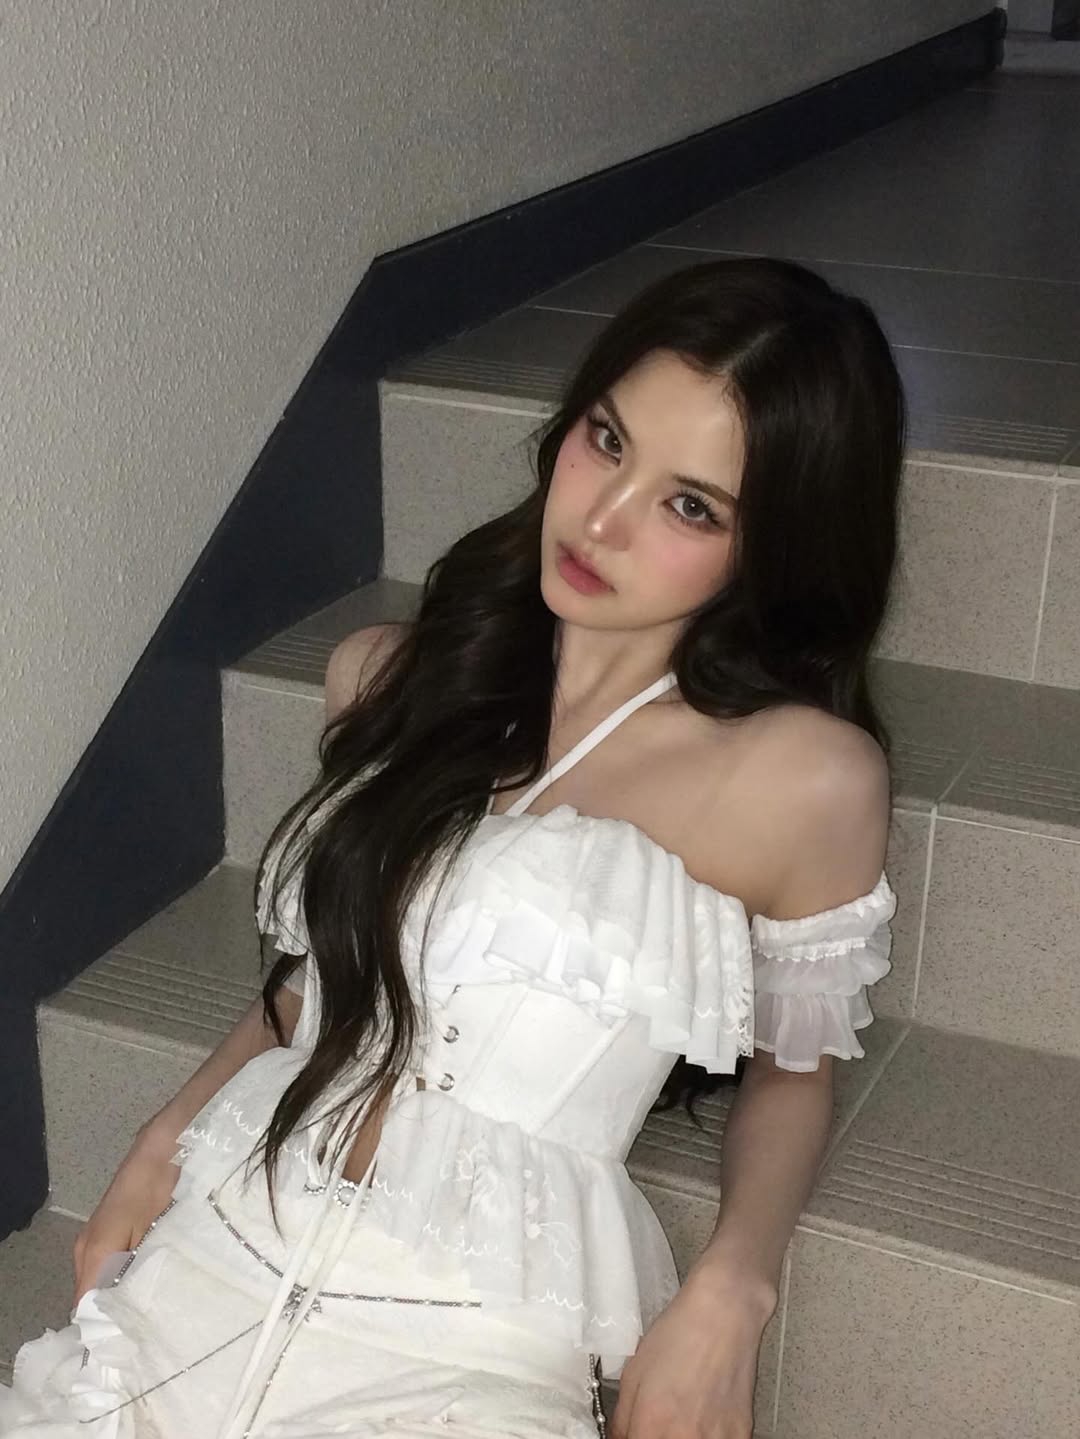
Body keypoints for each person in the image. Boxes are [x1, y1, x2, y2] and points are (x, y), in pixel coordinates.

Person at [0, 256, 901, 1439]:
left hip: (470, 1331)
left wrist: (735, 1285)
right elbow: (313, 983)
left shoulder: (797, 777)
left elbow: (794, 1070)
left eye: (692, 505)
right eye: (607, 439)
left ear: (770, 547)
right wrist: (163, 1135)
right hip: (225, 1235)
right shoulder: (387, 677)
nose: (603, 520)